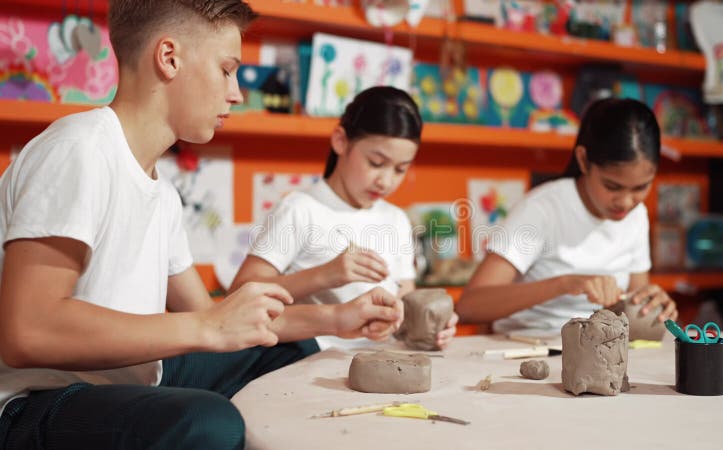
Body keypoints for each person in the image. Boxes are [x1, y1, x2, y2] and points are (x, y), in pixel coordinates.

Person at [0, 1, 401, 449]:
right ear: (169, 58)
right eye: (227, 70)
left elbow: (211, 316)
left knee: (288, 350)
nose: (236, 93)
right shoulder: (79, 150)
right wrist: (207, 327)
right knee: (209, 422)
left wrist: (338, 317)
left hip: (123, 377)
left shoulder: (162, 193)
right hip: (33, 400)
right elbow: (27, 331)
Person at [231, 86, 458, 349]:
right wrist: (326, 275)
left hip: (383, 361)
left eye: (400, 169)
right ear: (340, 141)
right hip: (310, 364)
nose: (385, 181)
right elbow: (239, 295)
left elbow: (405, 303)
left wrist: (431, 320)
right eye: (375, 163)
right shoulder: (301, 209)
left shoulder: (396, 219)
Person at [456, 98, 678, 334]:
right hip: (530, 349)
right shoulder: (542, 209)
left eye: (640, 188)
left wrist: (652, 305)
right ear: (583, 160)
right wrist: (564, 284)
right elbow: (469, 306)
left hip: (600, 351)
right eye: (612, 186)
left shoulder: (636, 215)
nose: (625, 202)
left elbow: (632, 310)